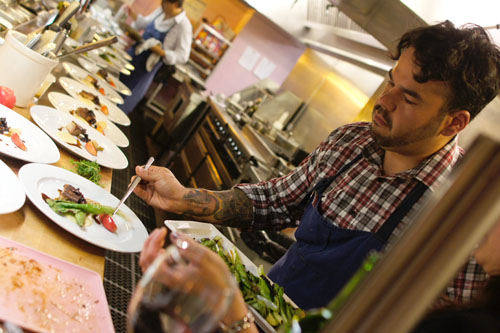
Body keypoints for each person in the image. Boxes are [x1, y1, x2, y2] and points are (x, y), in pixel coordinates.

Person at [133, 21, 500, 310]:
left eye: (409, 98)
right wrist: (184, 198)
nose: (384, 101)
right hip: (255, 315)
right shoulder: (350, 141)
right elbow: (275, 201)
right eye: (391, 81)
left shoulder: (462, 220)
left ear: (454, 123)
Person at [120, 0, 192, 114]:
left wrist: (161, 51)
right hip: (134, 53)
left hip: (145, 66)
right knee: (115, 83)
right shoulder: (161, 12)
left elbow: (183, 56)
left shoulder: (183, 25)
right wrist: (133, 15)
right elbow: (145, 24)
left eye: (166, 3)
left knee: (126, 95)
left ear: (176, 4)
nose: (162, 5)